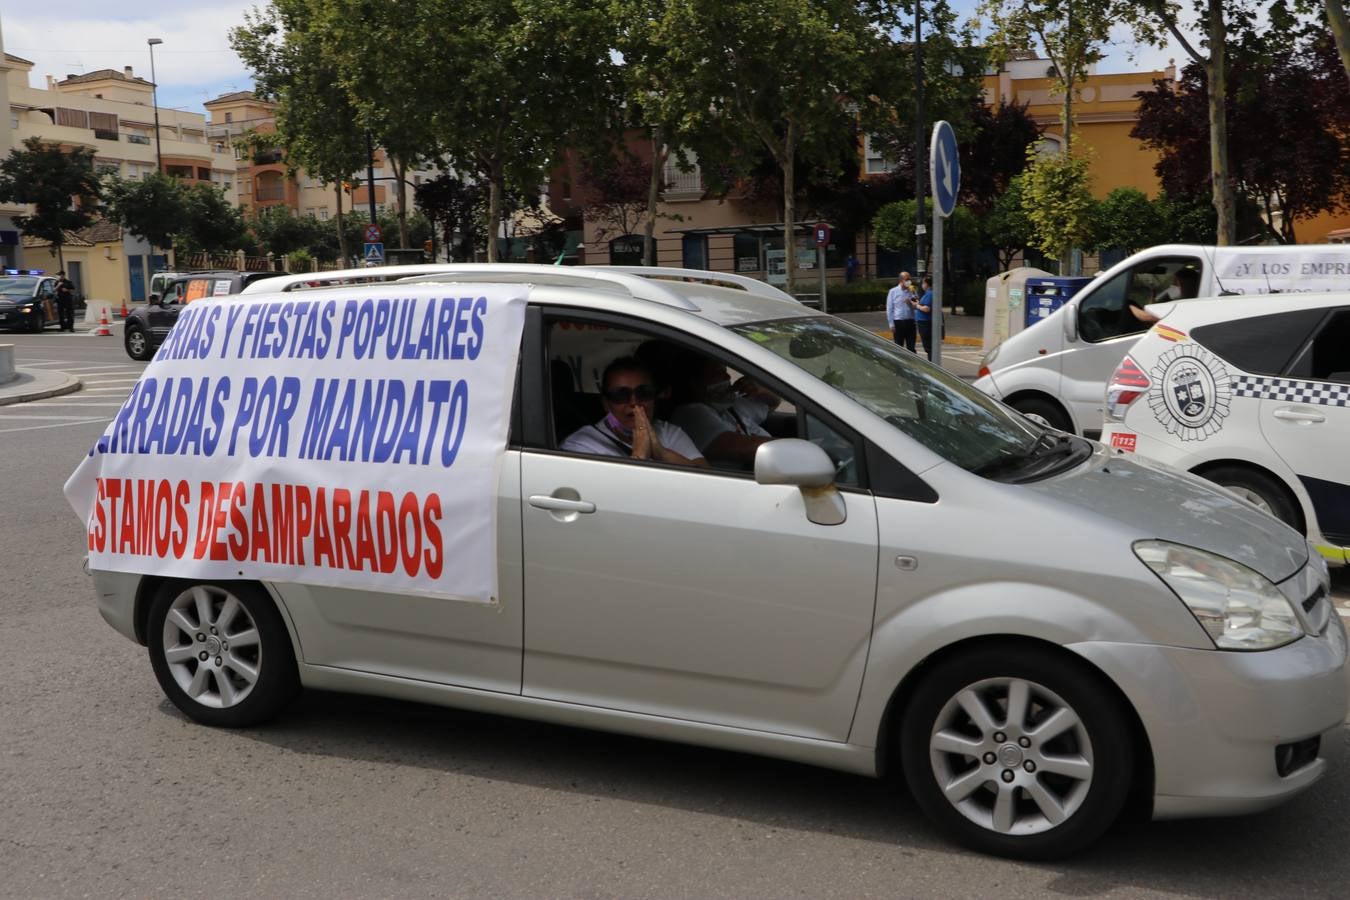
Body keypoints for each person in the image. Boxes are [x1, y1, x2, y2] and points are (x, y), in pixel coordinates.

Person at [561, 356, 707, 466]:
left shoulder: (668, 432)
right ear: (606, 404)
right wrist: (640, 455)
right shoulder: (581, 445)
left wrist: (659, 451)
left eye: (644, 393)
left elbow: (707, 477)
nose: (634, 403)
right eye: (621, 395)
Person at [670, 355, 781, 466]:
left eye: (725, 371)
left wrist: (760, 390)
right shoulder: (691, 414)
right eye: (718, 373)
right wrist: (794, 448)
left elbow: (773, 403)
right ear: (695, 382)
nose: (728, 377)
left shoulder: (729, 407)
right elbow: (745, 450)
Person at [1130, 267, 1201, 325]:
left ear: (1186, 285)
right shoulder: (1182, 302)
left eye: (1175, 283)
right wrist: (1153, 297)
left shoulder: (1187, 305)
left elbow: (1147, 317)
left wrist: (1128, 305)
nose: (1172, 286)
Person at [886, 271, 917, 352]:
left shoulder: (912, 290)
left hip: (910, 321)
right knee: (898, 347)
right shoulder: (893, 291)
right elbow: (890, 308)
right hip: (898, 322)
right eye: (907, 279)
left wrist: (911, 301)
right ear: (901, 280)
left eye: (910, 279)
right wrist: (891, 324)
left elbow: (917, 305)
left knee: (911, 347)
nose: (909, 281)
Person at [915, 275, 935, 360]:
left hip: (925, 323)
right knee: (927, 346)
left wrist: (917, 306)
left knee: (928, 347)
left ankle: (932, 363)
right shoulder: (927, 294)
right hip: (923, 322)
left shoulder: (930, 294)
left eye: (923, 283)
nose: (922, 285)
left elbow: (927, 308)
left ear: (927, 284)